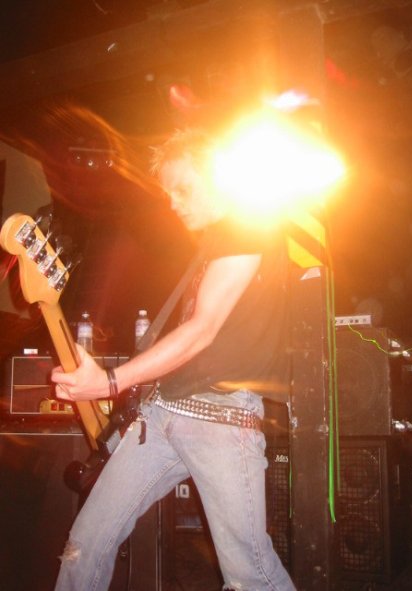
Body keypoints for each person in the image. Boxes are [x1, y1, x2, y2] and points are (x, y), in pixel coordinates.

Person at [52, 127, 296, 591]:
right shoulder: (214, 244)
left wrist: (109, 380)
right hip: (162, 414)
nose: (174, 202)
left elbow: (202, 330)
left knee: (249, 574)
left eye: (182, 188)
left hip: (221, 418)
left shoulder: (251, 226)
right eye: (168, 193)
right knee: (86, 543)